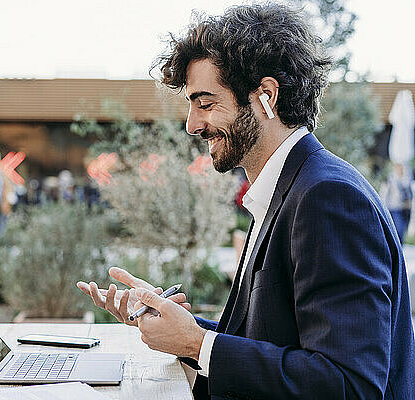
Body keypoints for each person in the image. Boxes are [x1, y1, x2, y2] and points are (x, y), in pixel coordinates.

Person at [77, 4, 415, 399]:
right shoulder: (286, 189)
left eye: (206, 103)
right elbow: (271, 342)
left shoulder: (327, 199)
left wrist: (196, 344)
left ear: (266, 96)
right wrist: (181, 327)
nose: (192, 124)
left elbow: (348, 384)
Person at [381, 163, 413, 243]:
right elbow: (384, 193)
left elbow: (410, 193)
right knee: (399, 230)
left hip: (406, 209)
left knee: (403, 231)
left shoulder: (407, 178)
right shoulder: (391, 179)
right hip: (395, 208)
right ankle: (397, 249)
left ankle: (399, 248)